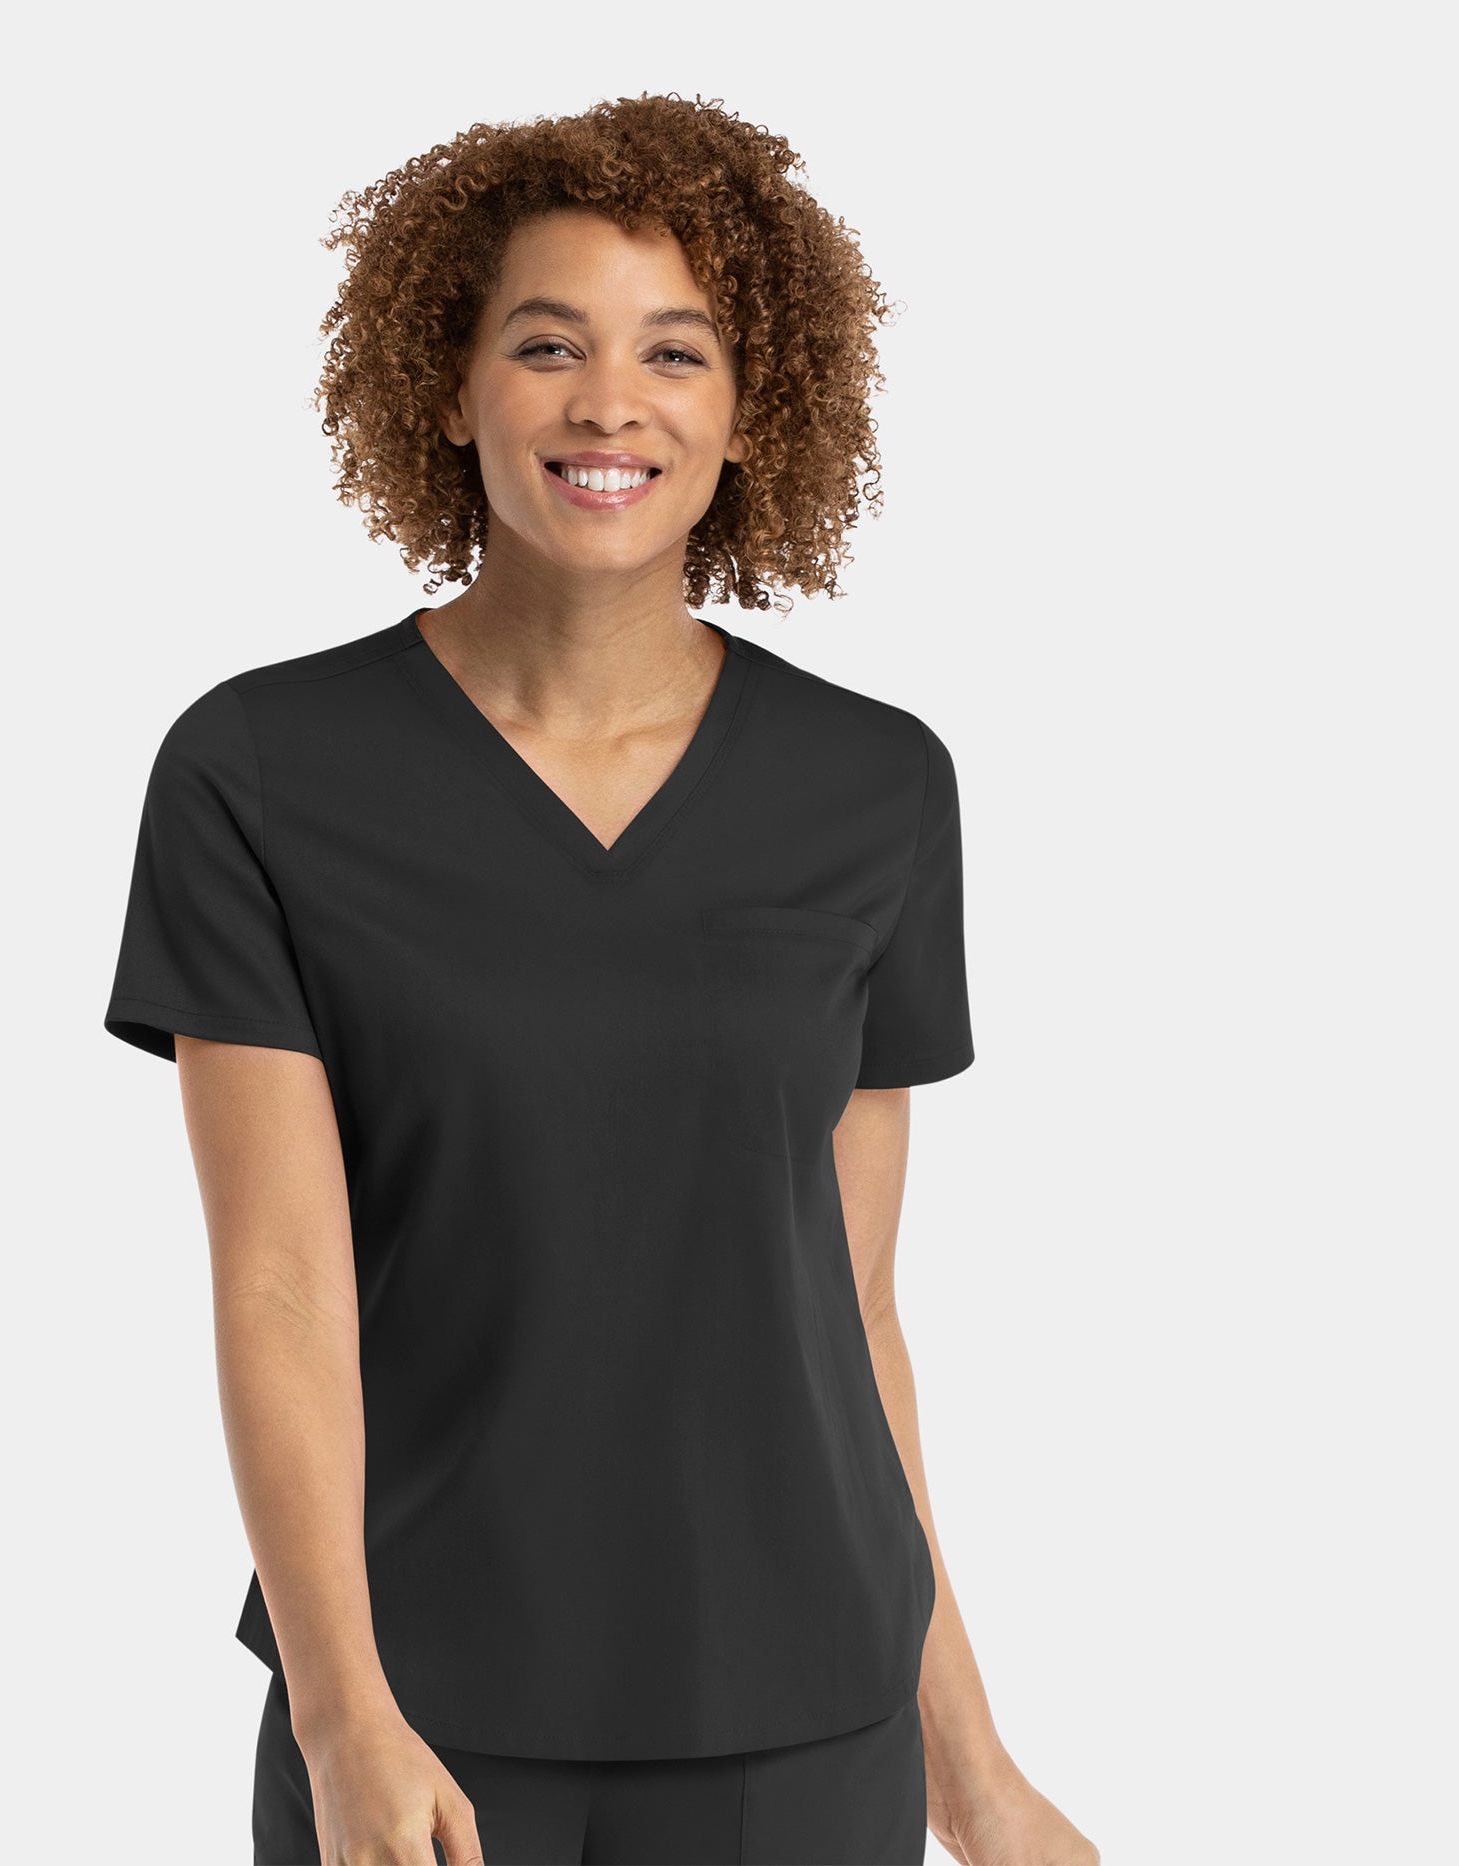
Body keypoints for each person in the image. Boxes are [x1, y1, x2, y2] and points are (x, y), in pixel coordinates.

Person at [104, 93, 1098, 1866]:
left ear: (753, 408)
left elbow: (855, 1311)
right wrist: (340, 1716)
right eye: (547, 343)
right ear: (450, 382)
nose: (609, 404)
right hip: (420, 1729)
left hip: (810, 1723)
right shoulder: (259, 774)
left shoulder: (875, 788)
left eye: (677, 352)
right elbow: (279, 1290)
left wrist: (974, 1768)